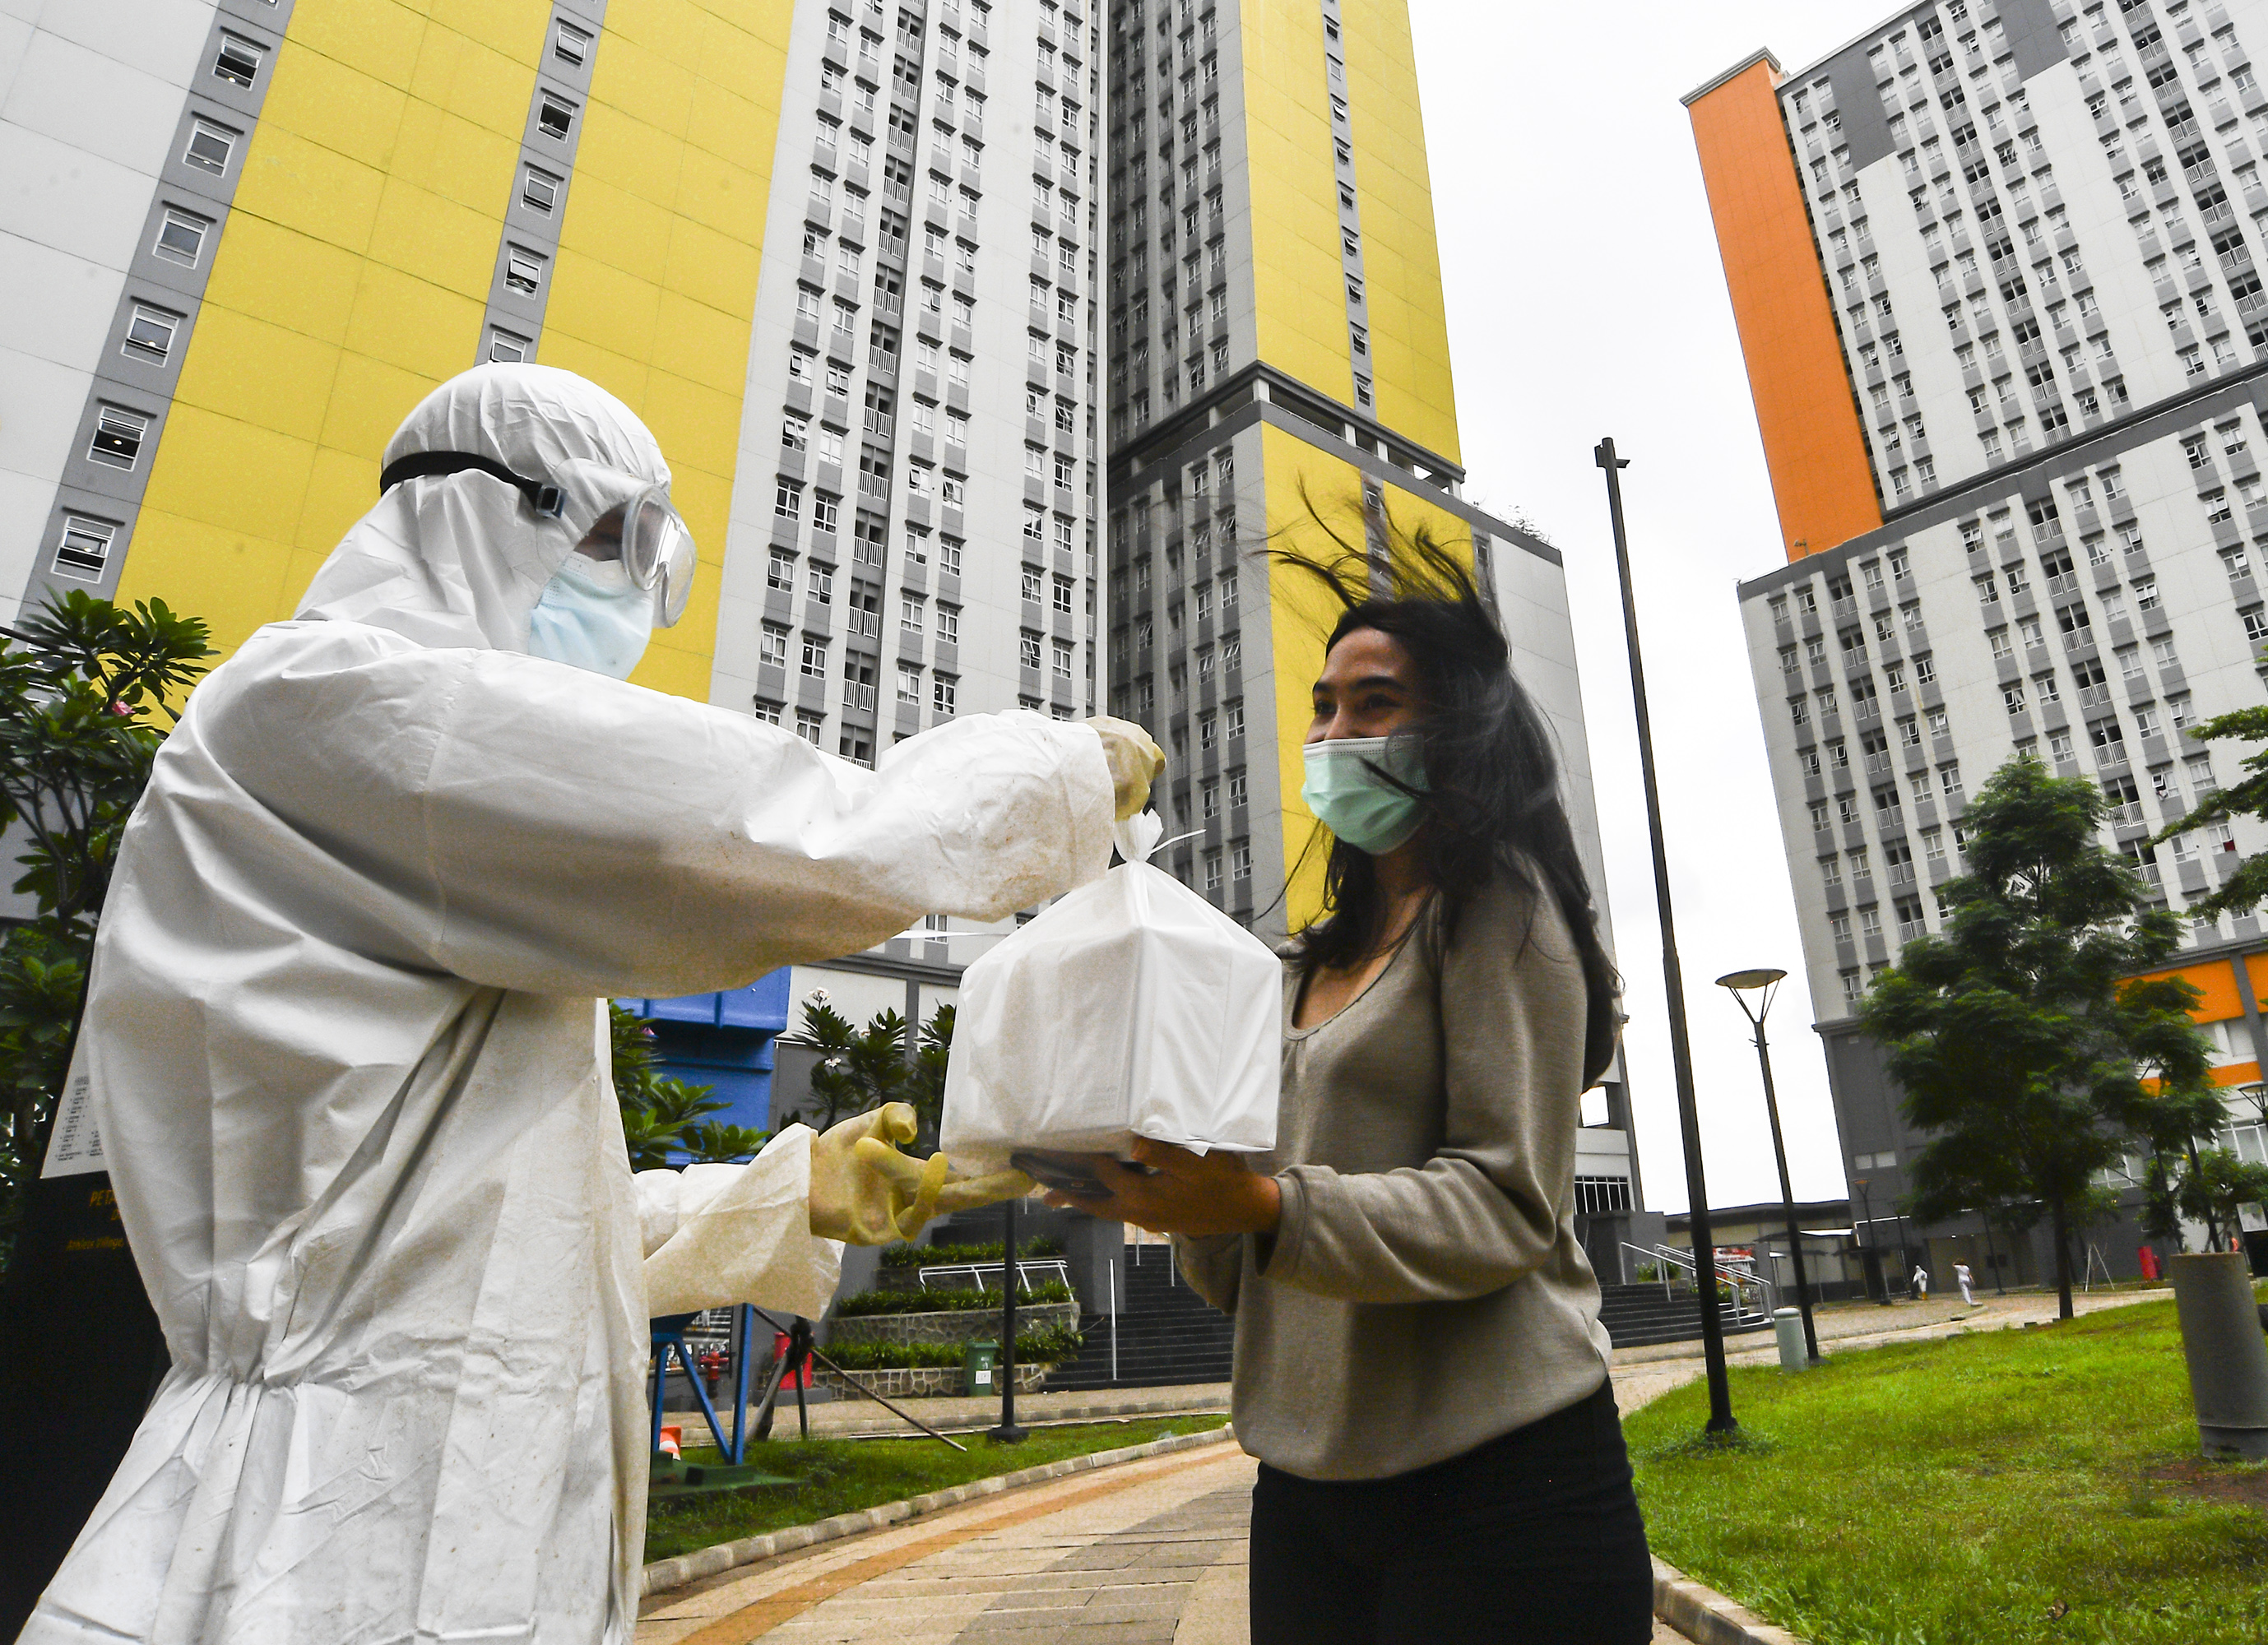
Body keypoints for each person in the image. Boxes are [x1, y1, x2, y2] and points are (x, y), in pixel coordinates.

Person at [22, 365, 1163, 1645]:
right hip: (319, 1543)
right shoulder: (336, 707)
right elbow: (761, 844)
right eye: (624, 544)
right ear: (497, 509)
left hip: (421, 1513)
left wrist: (792, 1193)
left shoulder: (413, 816)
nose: (635, 599)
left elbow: (468, 1239)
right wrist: (1058, 772)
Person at [1042, 531, 1653, 1643]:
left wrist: (1264, 1207)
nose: (1332, 734)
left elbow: (1506, 1205)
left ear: (1459, 729)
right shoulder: (1293, 973)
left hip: (1504, 1486)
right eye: (1323, 705)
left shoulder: (1499, 913)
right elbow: (1246, 1275)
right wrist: (1167, 1189)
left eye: (1373, 705)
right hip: (1306, 1489)